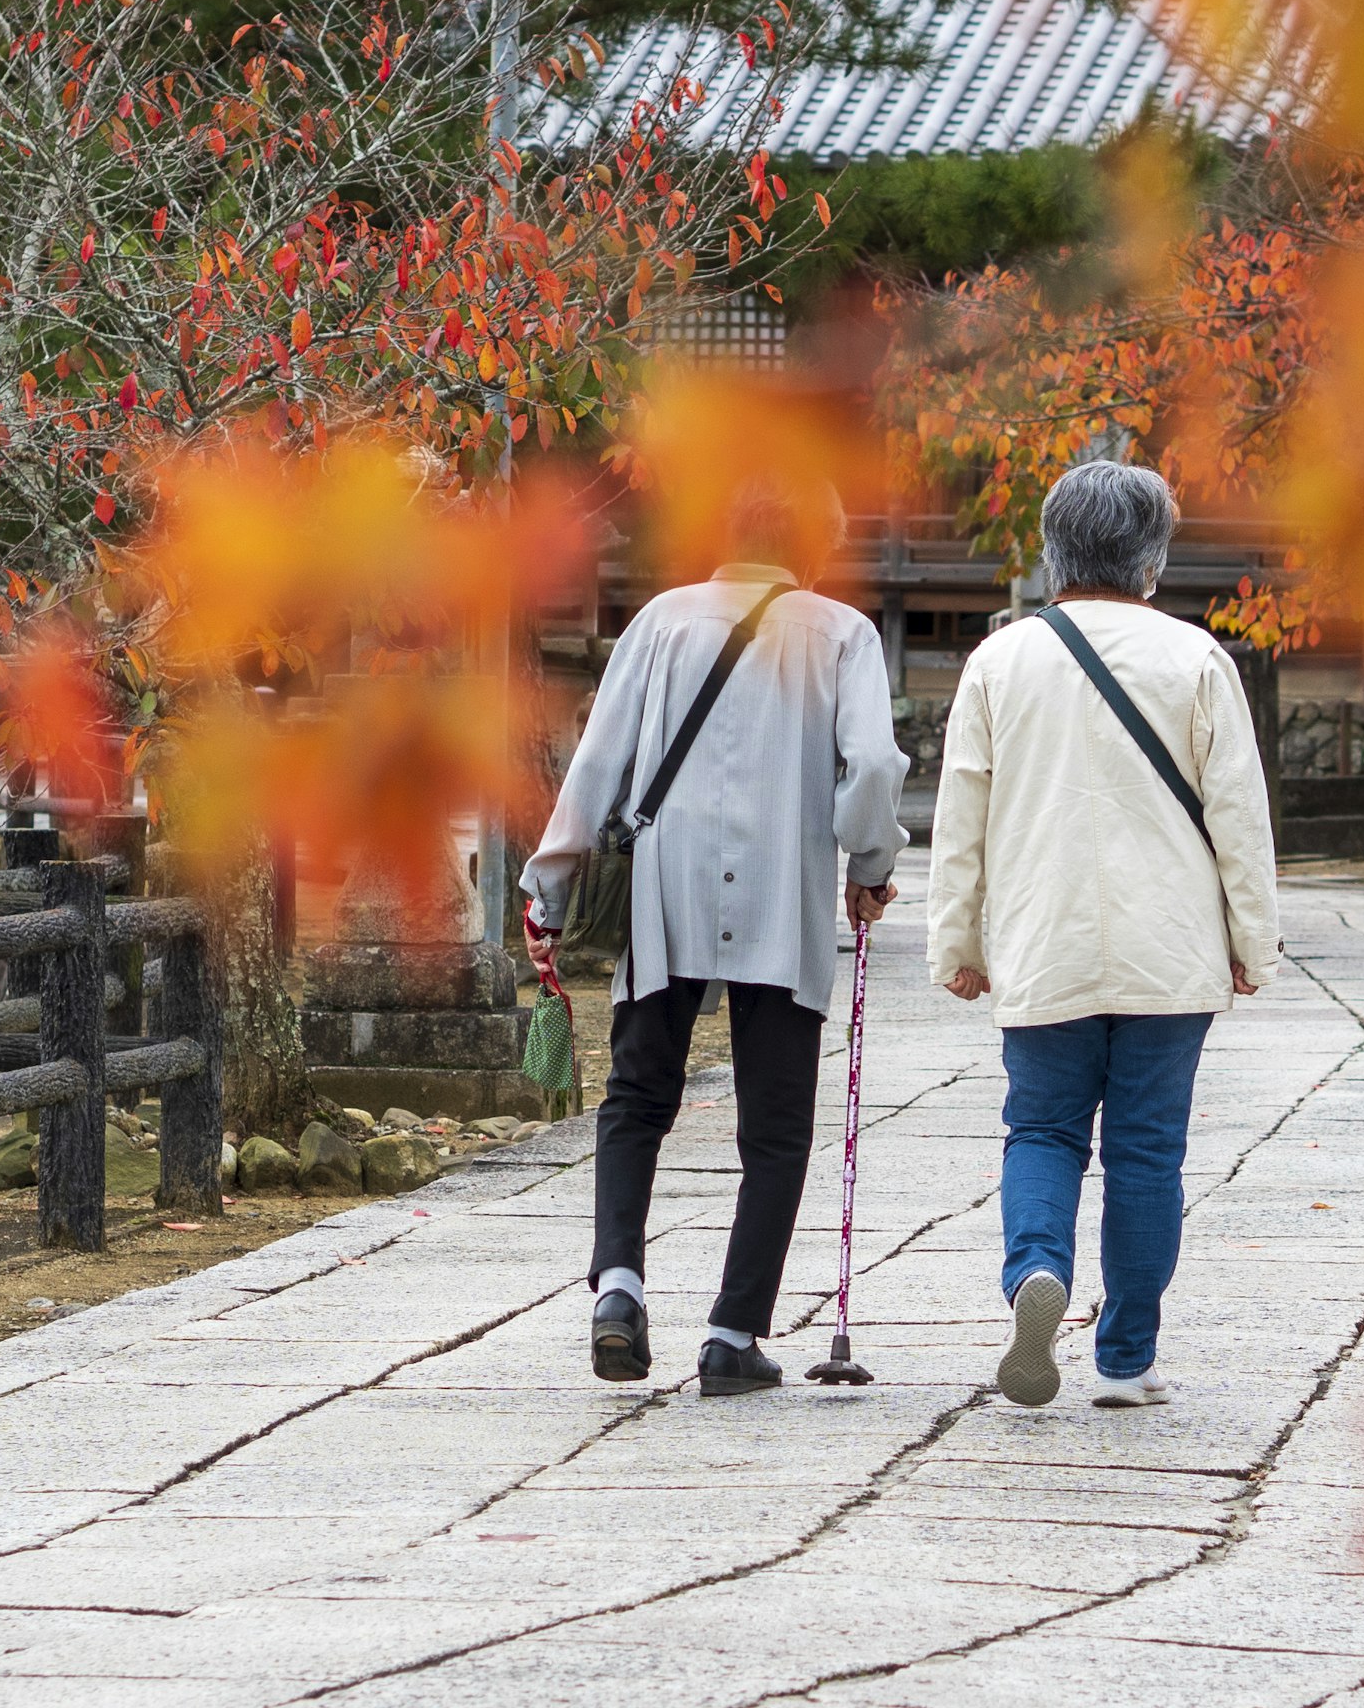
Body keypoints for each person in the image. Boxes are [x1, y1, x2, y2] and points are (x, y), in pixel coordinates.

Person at [525, 480, 907, 1395]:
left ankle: (618, 1286)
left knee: (636, 1098)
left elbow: (599, 759)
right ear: (815, 545)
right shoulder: (841, 631)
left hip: (667, 890)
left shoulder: (661, 621)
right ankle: (734, 1334)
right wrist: (868, 864)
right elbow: (875, 766)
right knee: (775, 1129)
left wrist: (550, 885)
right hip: (784, 894)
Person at [926, 459, 1278, 1408]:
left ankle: (1036, 1273)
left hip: (1047, 942)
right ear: (1152, 560)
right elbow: (1239, 819)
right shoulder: (1198, 660)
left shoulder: (998, 661)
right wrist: (1254, 943)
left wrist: (956, 943)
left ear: (1053, 552)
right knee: (1147, 1153)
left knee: (1039, 1128)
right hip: (1171, 953)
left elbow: (963, 817)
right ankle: (1126, 1359)